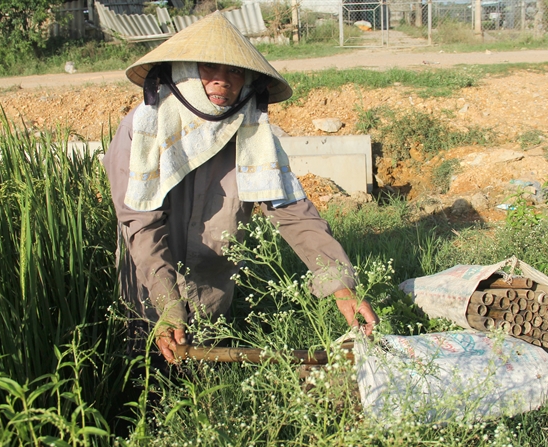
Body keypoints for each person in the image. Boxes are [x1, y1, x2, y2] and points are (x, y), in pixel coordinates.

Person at [102, 11, 379, 364]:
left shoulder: (254, 135)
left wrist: (341, 285)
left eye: (234, 71)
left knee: (205, 387)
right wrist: (167, 302)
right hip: (148, 285)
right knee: (143, 378)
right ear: (184, 70)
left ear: (248, 80)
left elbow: (293, 213)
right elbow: (141, 226)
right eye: (208, 68)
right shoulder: (142, 131)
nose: (222, 82)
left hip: (210, 291)